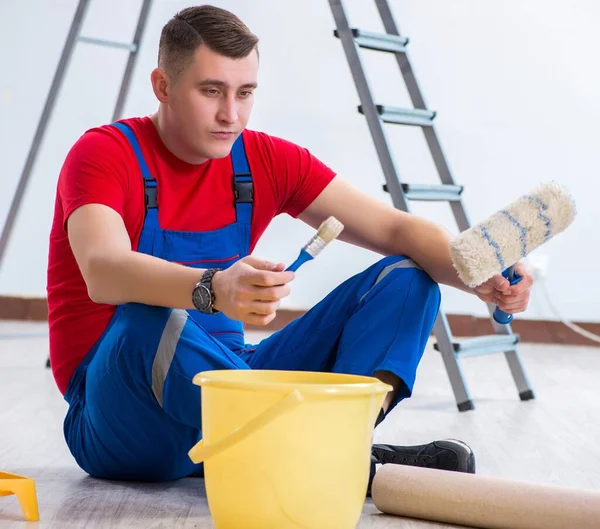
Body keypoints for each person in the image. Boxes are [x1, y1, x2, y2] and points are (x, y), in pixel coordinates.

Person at [46, 5, 533, 492]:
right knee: (143, 319)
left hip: (235, 389)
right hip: (121, 414)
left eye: (245, 92)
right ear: (163, 87)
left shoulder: (264, 160)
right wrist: (213, 289)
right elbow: (103, 270)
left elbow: (396, 231)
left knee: (408, 278)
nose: (230, 113)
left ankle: (334, 447)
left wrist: (480, 271)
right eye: (211, 90)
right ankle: (323, 455)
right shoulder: (104, 154)